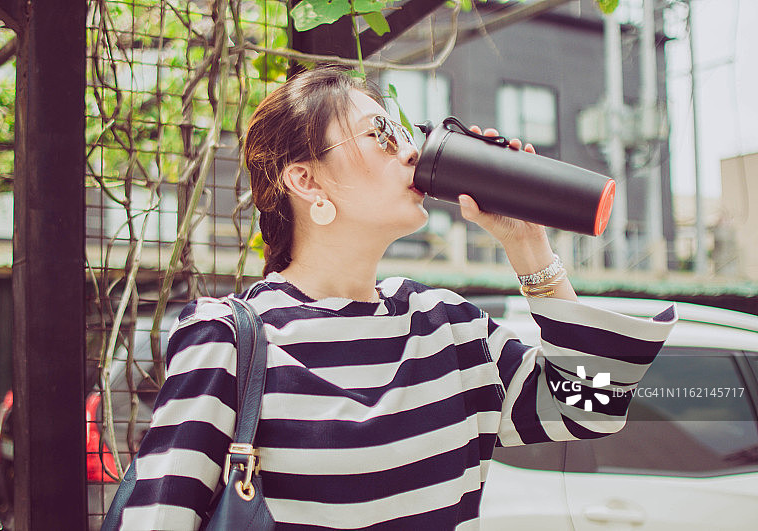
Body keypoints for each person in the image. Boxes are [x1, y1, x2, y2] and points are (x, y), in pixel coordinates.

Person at [117, 65, 676, 529]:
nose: (409, 152)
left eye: (404, 134)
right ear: (306, 181)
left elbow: (592, 408)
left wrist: (527, 243)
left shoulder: (446, 329)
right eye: (380, 135)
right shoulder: (229, 340)